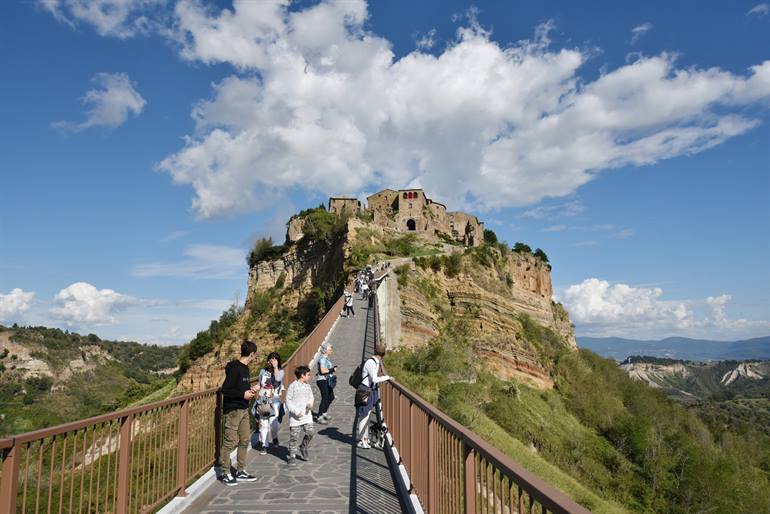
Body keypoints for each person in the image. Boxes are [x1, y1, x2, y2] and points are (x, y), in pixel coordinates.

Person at [217, 340, 260, 486]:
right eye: (255, 355)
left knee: (245, 440)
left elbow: (241, 388)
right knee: (229, 442)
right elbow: (226, 390)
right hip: (233, 410)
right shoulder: (235, 368)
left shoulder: (245, 369)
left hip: (243, 409)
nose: (255, 357)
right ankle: (225, 473)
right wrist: (243, 395)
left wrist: (251, 390)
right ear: (252, 354)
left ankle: (240, 471)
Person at [356, 344, 391, 449]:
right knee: (364, 417)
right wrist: (387, 377)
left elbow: (377, 377)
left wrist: (383, 370)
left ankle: (365, 439)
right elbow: (375, 379)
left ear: (375, 351)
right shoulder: (371, 362)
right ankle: (361, 440)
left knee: (367, 416)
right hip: (365, 391)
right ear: (383, 354)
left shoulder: (376, 362)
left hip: (370, 390)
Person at [254, 352, 284, 455]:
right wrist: (255, 388)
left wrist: (275, 367)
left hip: (274, 401)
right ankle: (264, 445)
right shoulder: (262, 371)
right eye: (271, 359)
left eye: (275, 359)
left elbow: (277, 380)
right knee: (263, 423)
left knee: (274, 424)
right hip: (263, 400)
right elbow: (260, 384)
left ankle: (274, 437)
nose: (273, 361)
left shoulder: (280, 372)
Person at [285, 365, 315, 467]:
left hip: (307, 415)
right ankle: (292, 455)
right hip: (295, 418)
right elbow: (288, 401)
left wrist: (310, 404)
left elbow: (311, 397)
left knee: (311, 432)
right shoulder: (292, 386)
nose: (309, 376)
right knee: (294, 437)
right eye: (308, 375)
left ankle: (303, 446)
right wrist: (295, 411)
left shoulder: (308, 386)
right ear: (302, 375)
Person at [315, 344, 337, 424]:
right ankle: (319, 416)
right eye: (330, 350)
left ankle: (324, 412)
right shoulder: (322, 359)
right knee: (325, 398)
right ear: (325, 351)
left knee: (331, 397)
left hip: (327, 380)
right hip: (322, 380)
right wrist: (332, 370)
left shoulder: (326, 359)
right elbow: (322, 371)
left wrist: (332, 370)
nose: (331, 351)